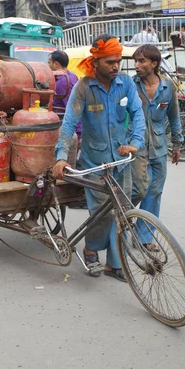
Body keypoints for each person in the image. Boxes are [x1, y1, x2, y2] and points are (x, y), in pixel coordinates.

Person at [52, 34, 145, 282]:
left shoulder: (126, 84)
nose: (116, 66)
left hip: (122, 161)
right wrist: (61, 158)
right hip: (95, 163)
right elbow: (69, 124)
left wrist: (135, 143)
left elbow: (137, 115)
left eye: (118, 61)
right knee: (102, 214)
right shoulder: (84, 87)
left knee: (123, 212)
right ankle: (91, 248)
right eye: (109, 62)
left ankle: (115, 264)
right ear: (96, 62)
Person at [131, 44, 183, 249]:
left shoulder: (168, 87)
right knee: (139, 189)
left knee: (155, 192)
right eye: (136, 61)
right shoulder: (129, 85)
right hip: (136, 147)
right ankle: (120, 222)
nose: (137, 65)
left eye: (141, 61)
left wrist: (177, 143)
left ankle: (143, 237)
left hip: (160, 148)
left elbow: (174, 116)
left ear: (154, 63)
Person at [48, 50, 80, 138]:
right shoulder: (72, 76)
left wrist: (79, 132)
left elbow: (73, 107)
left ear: (56, 64)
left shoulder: (63, 82)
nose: (48, 66)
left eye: (49, 63)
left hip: (64, 127)